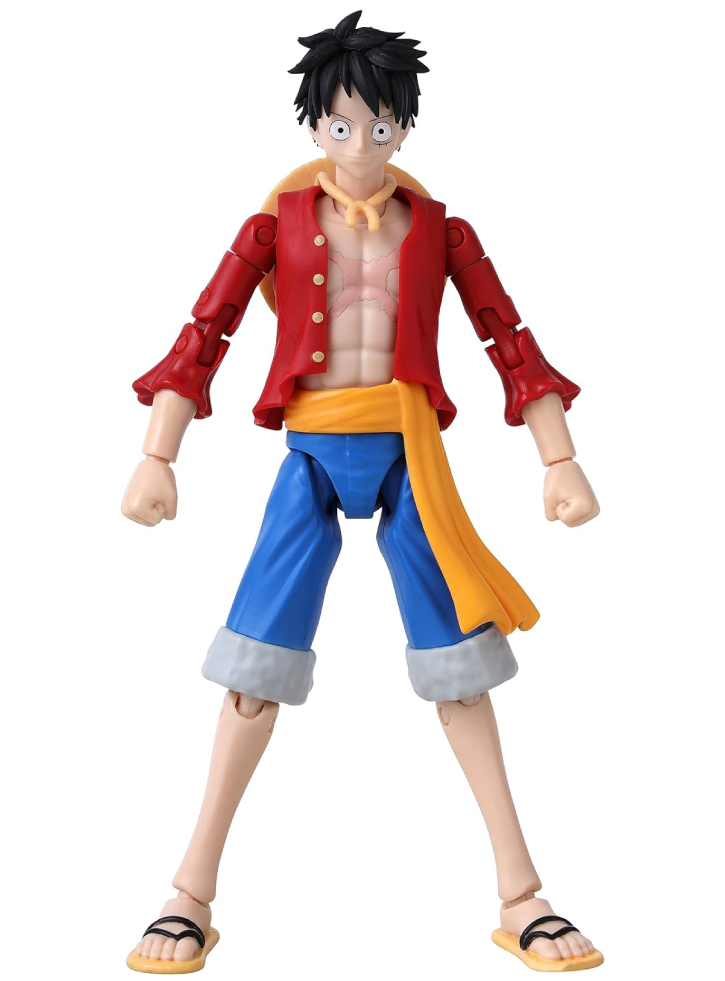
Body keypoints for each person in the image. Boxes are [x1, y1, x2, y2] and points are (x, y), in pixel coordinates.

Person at [123, 10, 602, 973]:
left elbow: (507, 337)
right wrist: (157, 451)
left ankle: (521, 895)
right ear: (313, 125)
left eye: (379, 126)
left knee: (460, 668)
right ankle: (188, 894)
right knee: (254, 672)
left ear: (404, 129)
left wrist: (557, 455)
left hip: (408, 454)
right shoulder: (273, 226)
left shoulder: (441, 231)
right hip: (309, 453)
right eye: (341, 125)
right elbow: (204, 332)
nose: (358, 144)